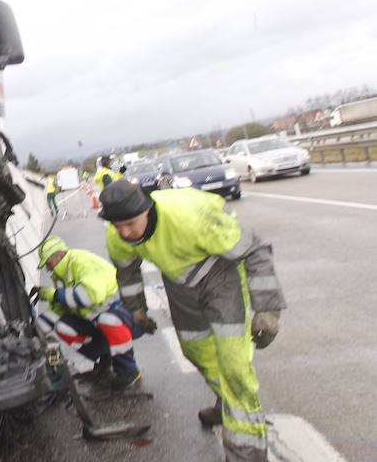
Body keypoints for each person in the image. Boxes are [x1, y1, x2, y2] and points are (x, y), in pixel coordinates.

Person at [100, 180, 285, 462]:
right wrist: (137, 310)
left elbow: (255, 249)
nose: (124, 232)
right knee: (196, 350)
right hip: (179, 285)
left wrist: (268, 310)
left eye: (130, 223)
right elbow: (127, 274)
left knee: (234, 367)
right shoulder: (118, 236)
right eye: (117, 225)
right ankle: (226, 402)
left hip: (219, 275)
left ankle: (246, 453)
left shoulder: (191, 216)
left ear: (147, 210)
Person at [33, 236, 142, 390]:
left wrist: (55, 294)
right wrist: (35, 330)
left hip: (130, 314)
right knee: (63, 327)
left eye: (48, 263)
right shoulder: (60, 275)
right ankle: (106, 360)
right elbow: (60, 309)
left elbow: (90, 295)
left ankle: (129, 372)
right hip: (101, 319)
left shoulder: (82, 262)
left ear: (59, 255)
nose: (48, 269)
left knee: (108, 319)